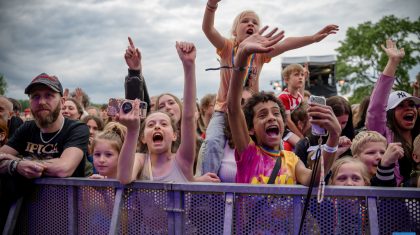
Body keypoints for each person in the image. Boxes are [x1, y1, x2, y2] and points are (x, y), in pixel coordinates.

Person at [201, 0, 338, 175]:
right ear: (234, 32)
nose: (250, 23)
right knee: (212, 142)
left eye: (255, 22)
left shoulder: (261, 53)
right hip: (224, 109)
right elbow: (208, 29)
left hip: (251, 112)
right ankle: (206, 188)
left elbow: (286, 43)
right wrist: (211, 5)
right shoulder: (227, 47)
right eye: (245, 21)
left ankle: (278, 177)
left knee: (275, 143)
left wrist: (313, 38)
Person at [226, 28, 341, 185]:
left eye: (276, 113)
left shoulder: (292, 160)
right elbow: (233, 108)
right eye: (262, 115)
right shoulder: (249, 152)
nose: (271, 117)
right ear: (251, 129)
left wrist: (334, 137)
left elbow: (314, 179)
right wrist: (242, 55)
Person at [117, 41, 219, 184]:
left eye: (164, 123)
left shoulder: (182, 160)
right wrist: (133, 130)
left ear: (174, 135)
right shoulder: (140, 160)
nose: (157, 127)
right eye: (151, 124)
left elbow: (188, 117)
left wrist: (189, 66)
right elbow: (124, 177)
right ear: (143, 138)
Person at [0, 73, 89, 178]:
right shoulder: (27, 128)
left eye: (49, 95)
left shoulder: (76, 129)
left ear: (62, 102)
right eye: (35, 96)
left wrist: (16, 161)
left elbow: (63, 169)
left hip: (65, 194)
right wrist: (17, 165)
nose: (41, 102)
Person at [366, 39, 420, 186]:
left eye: (412, 105)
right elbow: (376, 108)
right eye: (401, 106)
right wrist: (393, 63)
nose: (409, 108)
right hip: (394, 204)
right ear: (389, 113)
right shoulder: (383, 136)